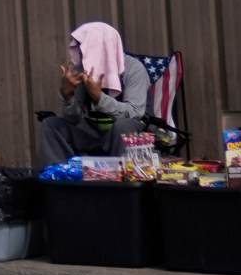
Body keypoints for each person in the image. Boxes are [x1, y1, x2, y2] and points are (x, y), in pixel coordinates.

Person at [36, 22, 153, 167]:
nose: (79, 52)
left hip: (125, 138)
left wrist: (99, 97)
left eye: (84, 47)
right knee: (51, 124)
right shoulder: (82, 69)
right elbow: (73, 119)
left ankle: (122, 184)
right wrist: (68, 95)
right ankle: (59, 179)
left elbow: (135, 113)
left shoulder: (133, 69)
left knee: (124, 126)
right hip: (92, 134)